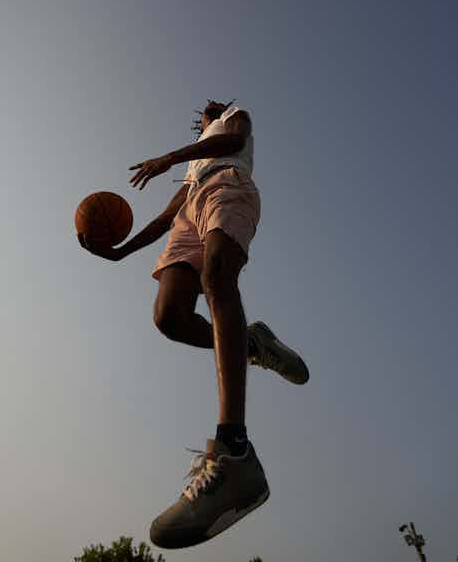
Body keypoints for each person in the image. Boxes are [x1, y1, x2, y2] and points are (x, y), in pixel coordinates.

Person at [78, 99, 309, 549]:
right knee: (169, 316)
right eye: (202, 113)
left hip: (227, 187)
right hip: (189, 210)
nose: (205, 109)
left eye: (209, 109)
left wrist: (169, 156)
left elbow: (236, 140)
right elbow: (167, 217)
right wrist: (119, 253)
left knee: (218, 275)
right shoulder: (192, 166)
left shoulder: (230, 119)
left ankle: (233, 449)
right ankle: (253, 344)